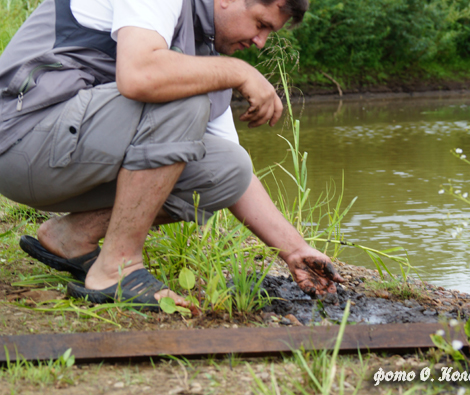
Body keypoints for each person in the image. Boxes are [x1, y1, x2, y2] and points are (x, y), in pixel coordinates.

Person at [0, 0, 344, 311]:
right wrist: (241, 72)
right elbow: (140, 76)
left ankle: (72, 236)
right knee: (183, 97)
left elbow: (235, 179)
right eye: (261, 24)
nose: (260, 42)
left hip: (64, 155)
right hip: (20, 143)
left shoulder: (201, 53)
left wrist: (295, 249)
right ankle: (117, 268)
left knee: (230, 168)